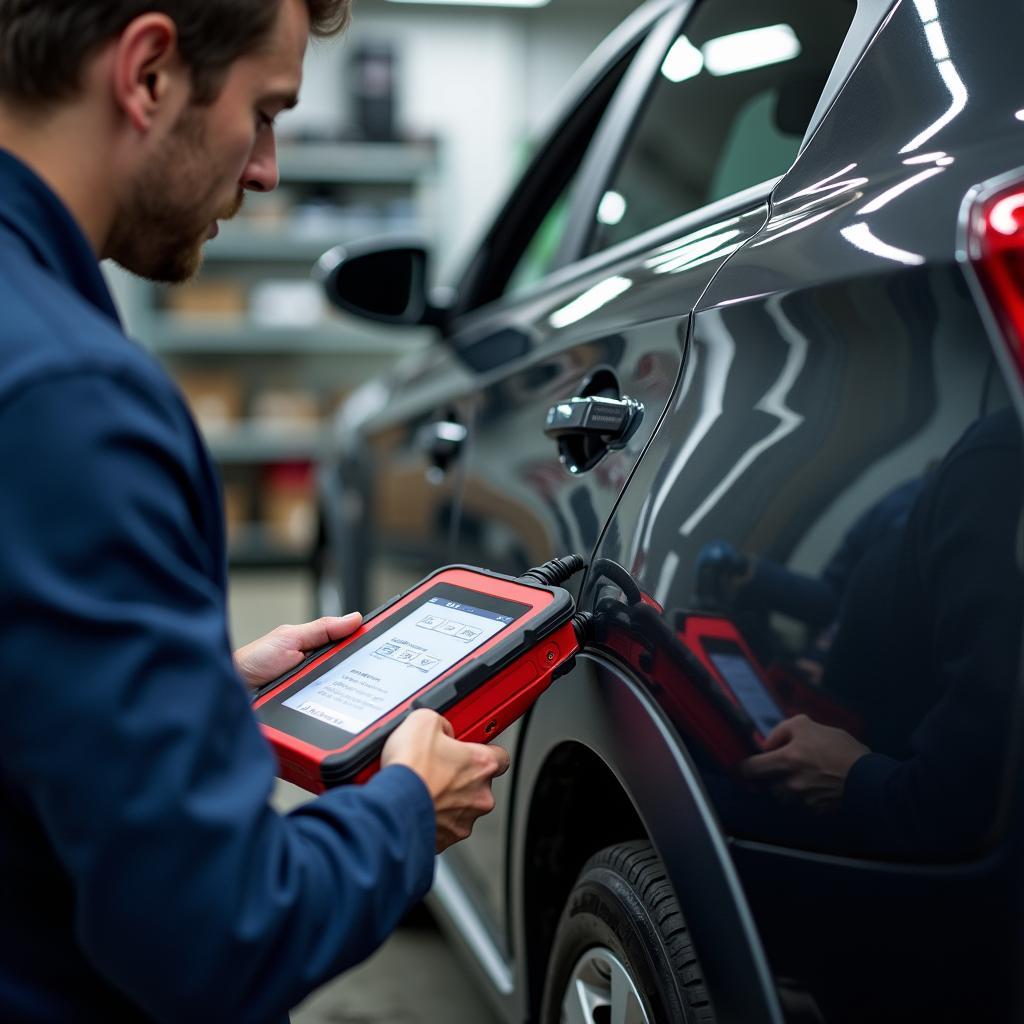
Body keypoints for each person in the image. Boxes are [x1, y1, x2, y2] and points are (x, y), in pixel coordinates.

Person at [0, 2, 508, 1020]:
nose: (267, 169)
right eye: (265, 112)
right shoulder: (72, 402)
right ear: (148, 75)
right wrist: (402, 811)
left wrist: (190, 695)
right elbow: (215, 934)